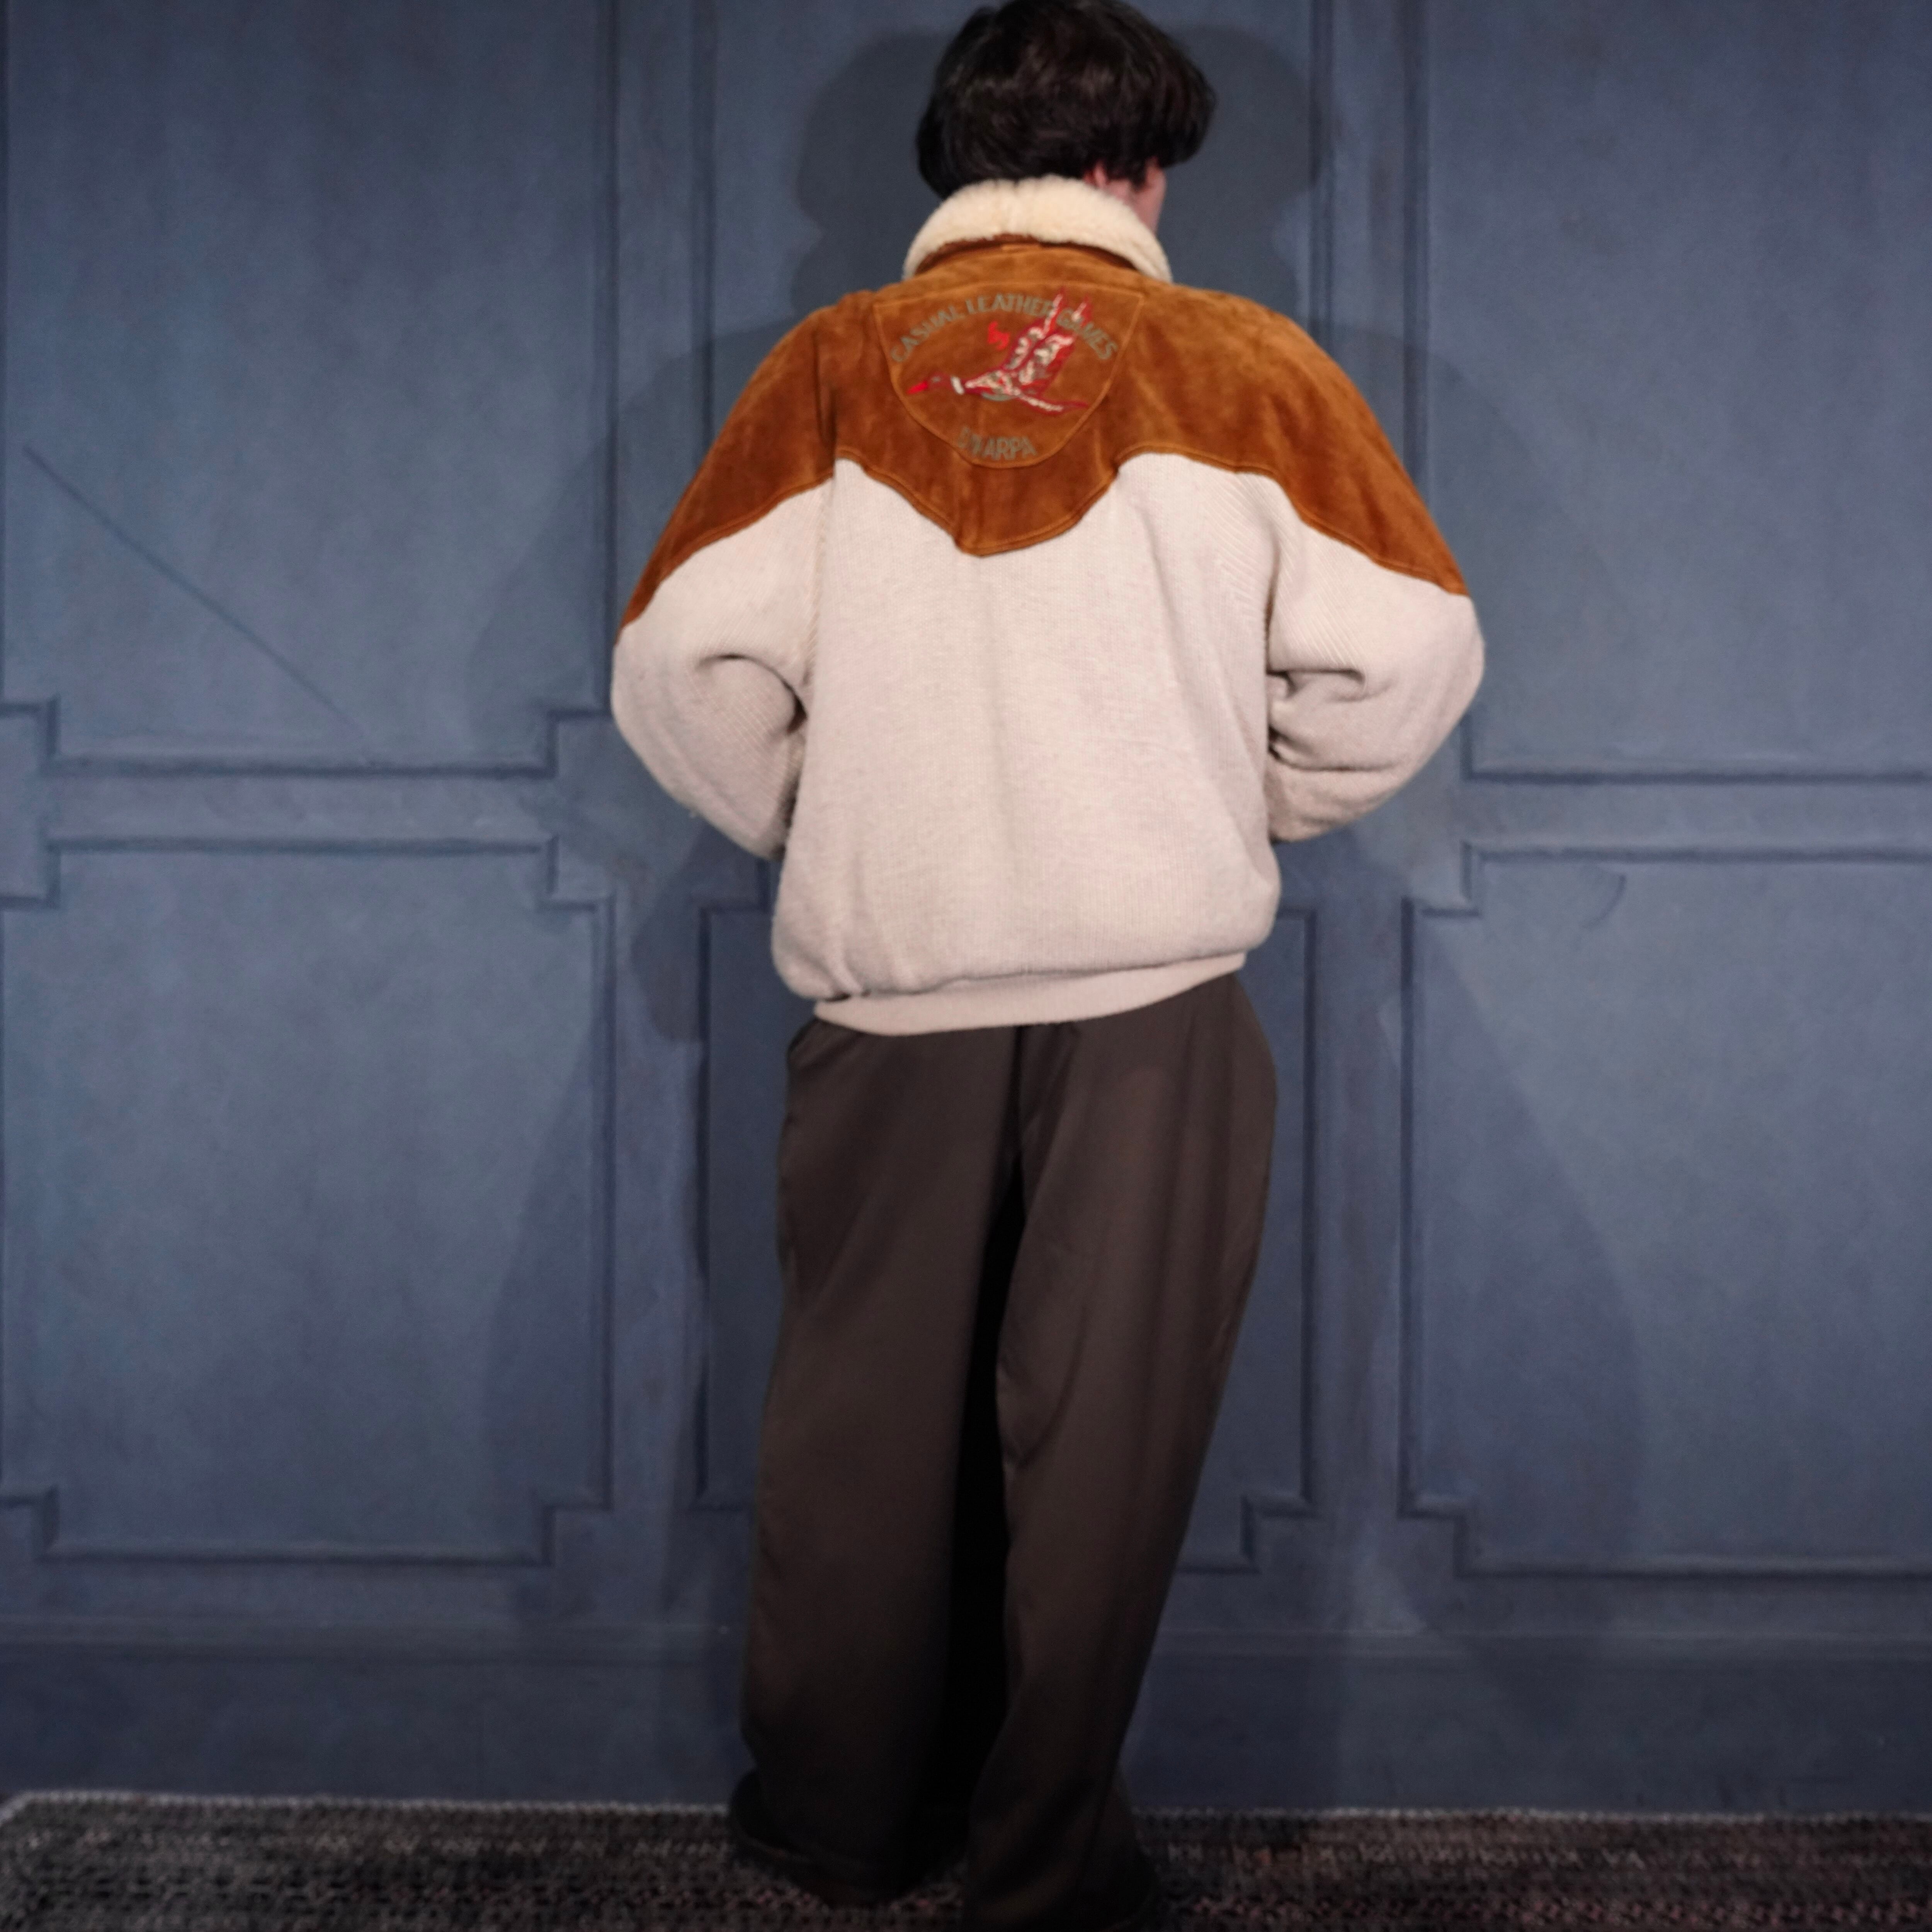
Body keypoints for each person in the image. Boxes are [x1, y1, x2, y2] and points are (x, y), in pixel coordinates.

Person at [611, 1, 1483, 1924]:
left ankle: (836, 1826)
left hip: (887, 996)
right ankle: (1042, 1870)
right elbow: (1410, 649)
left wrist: (833, 817)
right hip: (1149, 1004)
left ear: (957, 161)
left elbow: (675, 668)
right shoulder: (1245, 365)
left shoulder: (826, 368)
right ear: (1136, 166)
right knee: (1095, 1467)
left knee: (855, 1439)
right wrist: (1231, 797)